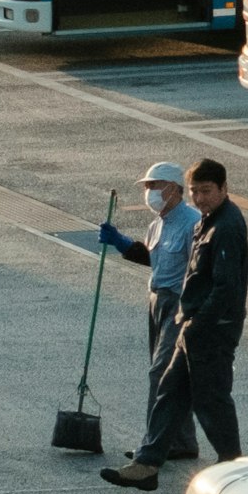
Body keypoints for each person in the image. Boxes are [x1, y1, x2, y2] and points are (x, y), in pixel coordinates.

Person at [105, 157, 248, 491]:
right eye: (196, 192)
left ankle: (233, 463)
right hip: (192, 321)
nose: (200, 199)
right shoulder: (207, 221)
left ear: (224, 189)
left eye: (207, 191)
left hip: (211, 327)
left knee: (211, 397)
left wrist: (199, 323)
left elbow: (226, 287)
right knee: (170, 390)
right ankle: (147, 462)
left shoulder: (226, 226)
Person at [95, 160, 200, 463]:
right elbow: (154, 260)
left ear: (174, 189)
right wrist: (122, 243)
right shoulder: (157, 223)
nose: (149, 192)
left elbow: (197, 268)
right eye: (147, 187)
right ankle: (181, 442)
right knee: (171, 374)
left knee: (162, 372)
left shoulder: (192, 223)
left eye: (154, 186)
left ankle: (154, 443)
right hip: (157, 299)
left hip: (179, 303)